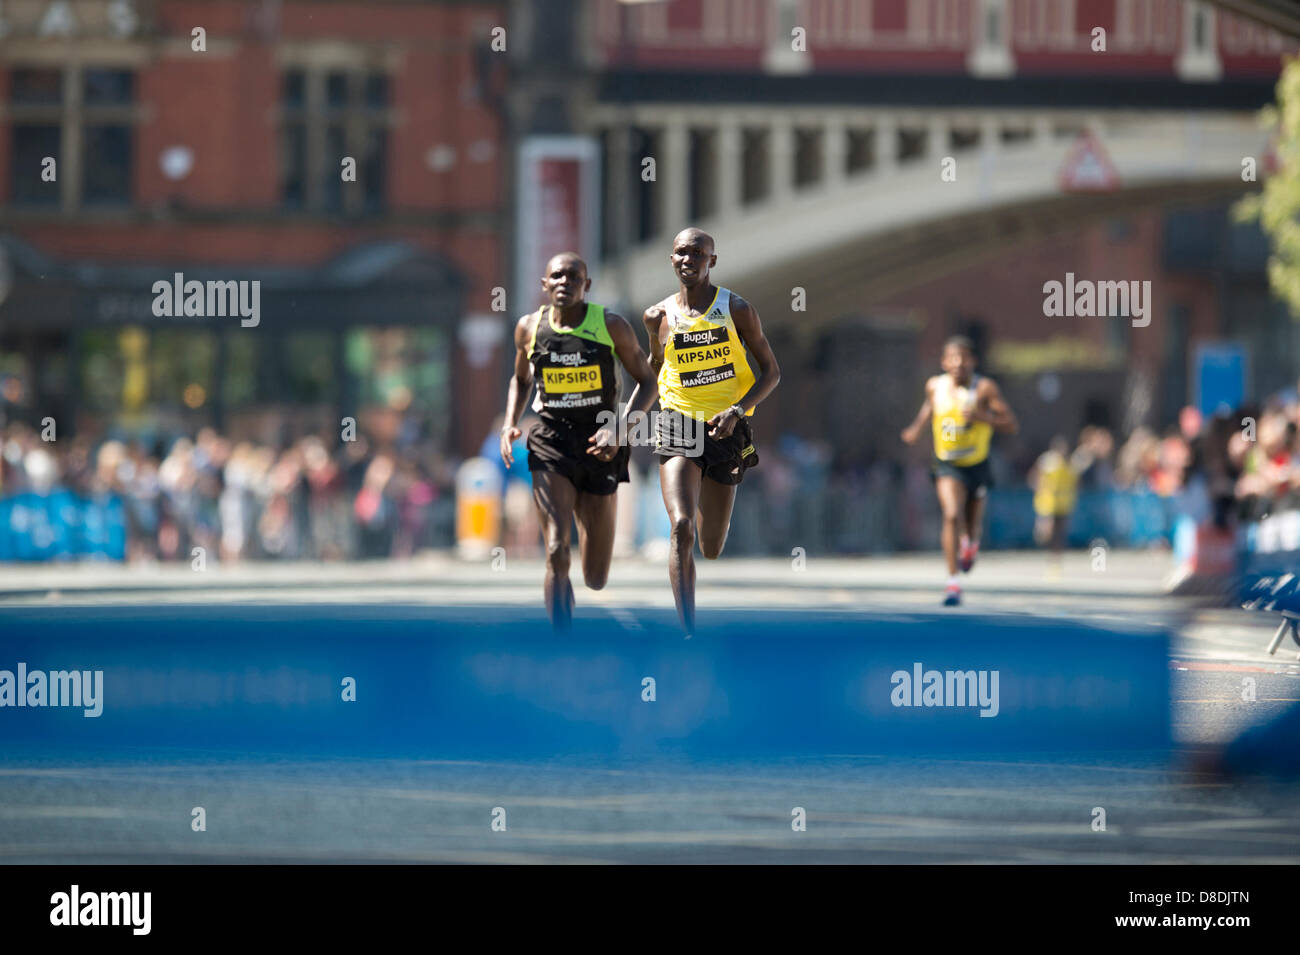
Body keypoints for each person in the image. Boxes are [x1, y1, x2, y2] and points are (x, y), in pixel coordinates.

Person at [500, 252, 658, 630]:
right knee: (555, 549)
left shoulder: (611, 325)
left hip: (601, 441)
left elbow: (648, 381)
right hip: (551, 440)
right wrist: (510, 423)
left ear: (586, 285)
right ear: (544, 284)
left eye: (574, 277)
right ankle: (561, 641)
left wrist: (621, 428)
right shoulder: (529, 328)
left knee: (596, 577)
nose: (564, 283)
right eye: (557, 276)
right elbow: (520, 380)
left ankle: (589, 557)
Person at [644, 228, 781, 637]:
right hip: (677, 423)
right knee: (681, 526)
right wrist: (629, 419)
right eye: (681, 254)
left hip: (726, 430)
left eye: (697, 254)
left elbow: (771, 372)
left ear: (712, 261)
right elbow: (654, 371)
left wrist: (737, 411)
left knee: (711, 546)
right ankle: (687, 630)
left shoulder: (737, 309)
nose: (688, 261)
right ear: (671, 260)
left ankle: (705, 537)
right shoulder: (657, 317)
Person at [901, 335, 1018, 606]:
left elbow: (1010, 423)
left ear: (973, 362)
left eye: (964, 357)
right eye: (953, 358)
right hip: (947, 462)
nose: (959, 363)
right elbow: (929, 407)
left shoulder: (985, 388)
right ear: (944, 362)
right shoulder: (934, 385)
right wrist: (916, 429)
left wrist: (982, 417)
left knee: (972, 524)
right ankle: (952, 582)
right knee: (952, 514)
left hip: (976, 464)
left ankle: (970, 544)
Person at [1030, 435, 1078, 577]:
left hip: (1063, 504)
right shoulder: (1048, 462)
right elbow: (1035, 476)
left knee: (1059, 534)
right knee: (1047, 533)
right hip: (1048, 503)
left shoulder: (1070, 465)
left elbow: (1075, 482)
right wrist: (1040, 488)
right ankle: (1041, 532)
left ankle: (1055, 562)